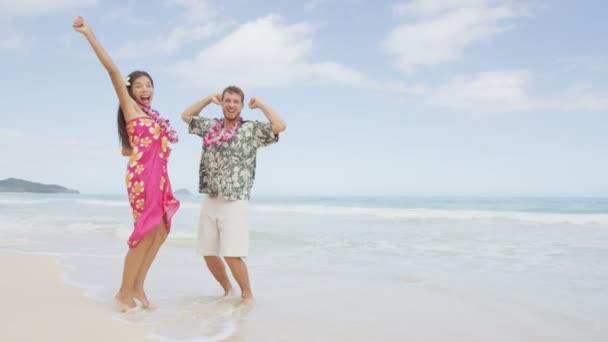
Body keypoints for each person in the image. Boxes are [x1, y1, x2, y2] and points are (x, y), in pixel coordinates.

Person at [73, 16, 180, 311]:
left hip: (160, 179)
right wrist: (89, 34)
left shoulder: (152, 117)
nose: (145, 89)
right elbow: (113, 70)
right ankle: (123, 292)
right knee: (146, 232)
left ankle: (137, 288)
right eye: (139, 85)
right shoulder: (130, 108)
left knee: (160, 233)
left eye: (150, 85)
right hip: (143, 178)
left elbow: (134, 149)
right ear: (130, 90)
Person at [182, 86, 286, 303]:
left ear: (241, 104)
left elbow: (280, 126)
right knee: (208, 252)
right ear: (222, 103)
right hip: (211, 197)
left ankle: (248, 296)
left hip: (235, 200)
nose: (230, 105)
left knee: (231, 253)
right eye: (227, 100)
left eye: (235, 101)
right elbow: (186, 116)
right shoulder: (210, 127)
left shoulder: (250, 129)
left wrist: (261, 106)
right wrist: (206, 99)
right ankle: (228, 290)